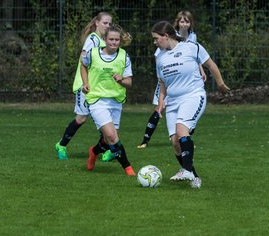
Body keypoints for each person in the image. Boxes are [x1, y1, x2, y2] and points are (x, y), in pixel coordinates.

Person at [151, 21, 230, 188]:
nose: (155, 42)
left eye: (156, 38)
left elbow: (210, 65)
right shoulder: (160, 57)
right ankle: (194, 177)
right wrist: (160, 104)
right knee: (175, 143)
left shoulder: (191, 47)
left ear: (166, 36)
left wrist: (221, 83)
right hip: (172, 102)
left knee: (181, 131)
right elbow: (162, 84)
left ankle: (186, 170)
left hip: (193, 96)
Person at [137, 10, 206, 149]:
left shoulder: (193, 36)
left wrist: (201, 69)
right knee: (159, 107)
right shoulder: (170, 36)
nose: (184, 24)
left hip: (183, 82)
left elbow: (194, 55)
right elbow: (161, 57)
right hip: (168, 79)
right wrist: (163, 72)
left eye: (187, 21)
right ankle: (145, 139)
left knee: (181, 120)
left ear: (190, 23)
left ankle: (184, 138)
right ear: (177, 23)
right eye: (182, 21)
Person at [55, 12, 113, 160]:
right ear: (97, 23)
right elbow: (84, 61)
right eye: (105, 23)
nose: (108, 26)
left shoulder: (104, 40)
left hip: (98, 86)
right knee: (81, 118)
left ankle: (110, 149)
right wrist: (86, 82)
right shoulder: (92, 40)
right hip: (85, 85)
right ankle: (61, 145)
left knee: (103, 118)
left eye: (110, 24)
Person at [81, 25, 136, 176]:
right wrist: (85, 83)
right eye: (111, 39)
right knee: (112, 137)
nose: (114, 42)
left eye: (117, 40)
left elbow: (129, 82)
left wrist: (121, 80)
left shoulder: (124, 56)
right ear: (104, 40)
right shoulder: (92, 53)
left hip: (115, 101)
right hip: (97, 100)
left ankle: (94, 151)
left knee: (108, 140)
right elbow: (83, 65)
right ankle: (128, 168)